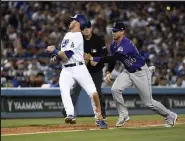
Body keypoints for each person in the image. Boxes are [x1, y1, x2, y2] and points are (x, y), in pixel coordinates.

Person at [90, 22, 178, 127]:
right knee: (115, 89)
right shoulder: (114, 44)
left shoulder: (126, 44)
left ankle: (170, 115)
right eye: (113, 30)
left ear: (122, 31)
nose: (113, 32)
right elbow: (112, 60)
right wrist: (109, 71)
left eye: (116, 31)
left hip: (140, 72)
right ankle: (123, 115)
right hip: (128, 71)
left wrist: (94, 58)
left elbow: (114, 58)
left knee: (148, 102)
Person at [46, 14, 107, 129]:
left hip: (79, 68)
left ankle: (99, 118)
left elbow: (67, 55)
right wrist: (56, 55)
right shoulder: (67, 35)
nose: (71, 21)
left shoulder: (78, 36)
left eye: (74, 20)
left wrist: (54, 50)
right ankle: (70, 114)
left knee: (93, 92)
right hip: (66, 69)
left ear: (78, 23)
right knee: (64, 90)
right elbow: (63, 56)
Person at [61, 20, 108, 120]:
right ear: (81, 30)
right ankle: (67, 113)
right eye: (84, 28)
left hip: (96, 70)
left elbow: (104, 53)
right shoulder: (78, 38)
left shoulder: (98, 39)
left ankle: (102, 114)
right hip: (81, 69)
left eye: (88, 27)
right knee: (75, 90)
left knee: (97, 92)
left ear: (91, 29)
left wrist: (97, 60)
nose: (86, 30)